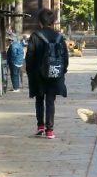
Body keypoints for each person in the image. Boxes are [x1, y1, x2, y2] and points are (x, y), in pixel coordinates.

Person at [26, 8, 68, 139]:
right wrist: (62, 70)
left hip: (39, 75)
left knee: (39, 99)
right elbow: (65, 57)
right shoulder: (59, 37)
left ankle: (40, 126)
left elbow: (30, 56)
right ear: (53, 22)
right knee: (50, 100)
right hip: (54, 73)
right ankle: (50, 130)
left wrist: (29, 71)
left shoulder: (35, 36)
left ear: (40, 22)